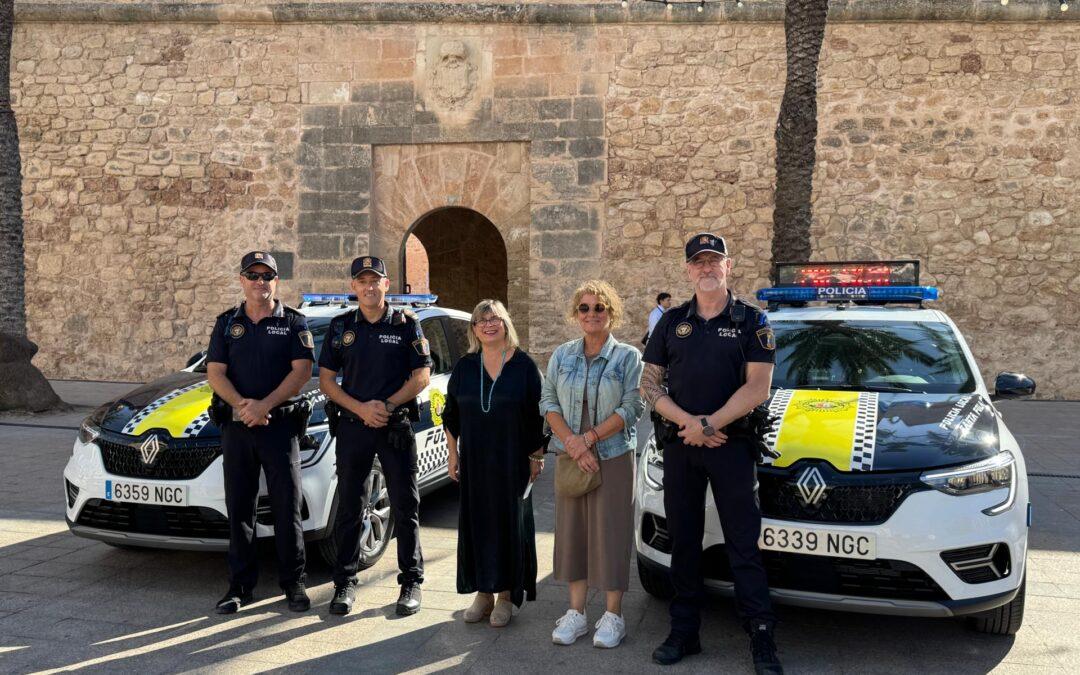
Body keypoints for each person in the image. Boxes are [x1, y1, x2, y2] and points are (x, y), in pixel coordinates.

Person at [641, 233, 782, 674]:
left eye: (713, 261)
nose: (706, 268)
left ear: (728, 266)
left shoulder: (752, 321)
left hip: (731, 447)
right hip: (683, 445)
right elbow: (648, 385)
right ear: (688, 270)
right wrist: (689, 424)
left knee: (743, 544)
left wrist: (710, 424)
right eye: (698, 262)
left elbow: (758, 387)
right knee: (683, 540)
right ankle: (685, 631)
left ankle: (761, 637)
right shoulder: (671, 321)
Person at [317, 256, 433, 617]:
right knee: (350, 506)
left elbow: (422, 375)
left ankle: (411, 581)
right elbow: (326, 381)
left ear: (386, 285)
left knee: (405, 506)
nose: (369, 286)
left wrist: (385, 404)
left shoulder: (405, 324)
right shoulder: (340, 327)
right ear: (354, 287)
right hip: (353, 426)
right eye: (362, 280)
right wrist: (361, 408)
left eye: (375, 280)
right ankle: (345, 584)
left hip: (394, 425)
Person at [205, 251, 314, 615]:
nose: (260, 281)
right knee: (240, 509)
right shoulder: (225, 324)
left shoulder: (293, 322)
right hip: (238, 429)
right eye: (253, 275)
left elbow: (301, 372)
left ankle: (294, 584)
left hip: (279, 428)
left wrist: (264, 405)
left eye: (267, 276)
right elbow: (216, 372)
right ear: (241, 280)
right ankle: (239, 587)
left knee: (287, 508)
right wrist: (242, 406)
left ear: (276, 282)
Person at [540, 280, 644, 649]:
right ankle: (576, 613)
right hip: (571, 454)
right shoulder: (562, 355)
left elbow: (632, 406)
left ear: (611, 312)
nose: (591, 314)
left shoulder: (628, 357)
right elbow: (548, 401)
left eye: (599, 307)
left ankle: (613, 615)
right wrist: (572, 441)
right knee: (573, 533)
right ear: (576, 314)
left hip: (613, 454)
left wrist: (590, 439)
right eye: (584, 308)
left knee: (611, 532)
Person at [442, 300, 546, 627]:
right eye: (481, 320)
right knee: (478, 524)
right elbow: (451, 414)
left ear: (505, 324)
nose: (488, 324)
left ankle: (504, 595)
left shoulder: (524, 366)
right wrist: (453, 453)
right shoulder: (465, 367)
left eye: (494, 318)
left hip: (512, 460)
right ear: (474, 329)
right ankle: (482, 593)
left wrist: (535, 457)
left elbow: (538, 417)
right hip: (474, 461)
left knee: (508, 525)